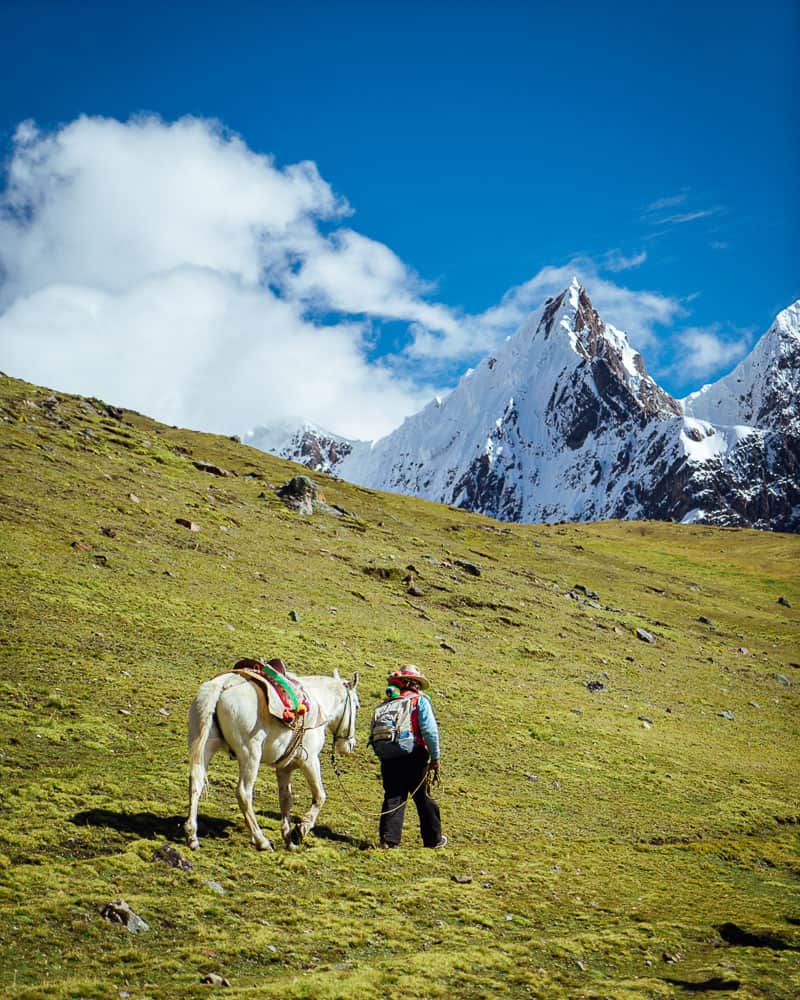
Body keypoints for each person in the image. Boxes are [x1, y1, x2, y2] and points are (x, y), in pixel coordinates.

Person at [377, 665, 447, 849]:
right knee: (423, 796)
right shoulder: (419, 701)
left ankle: (389, 840)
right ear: (415, 683)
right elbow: (430, 731)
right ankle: (433, 839)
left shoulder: (388, 703)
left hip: (390, 755)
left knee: (393, 796)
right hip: (415, 755)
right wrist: (435, 757)